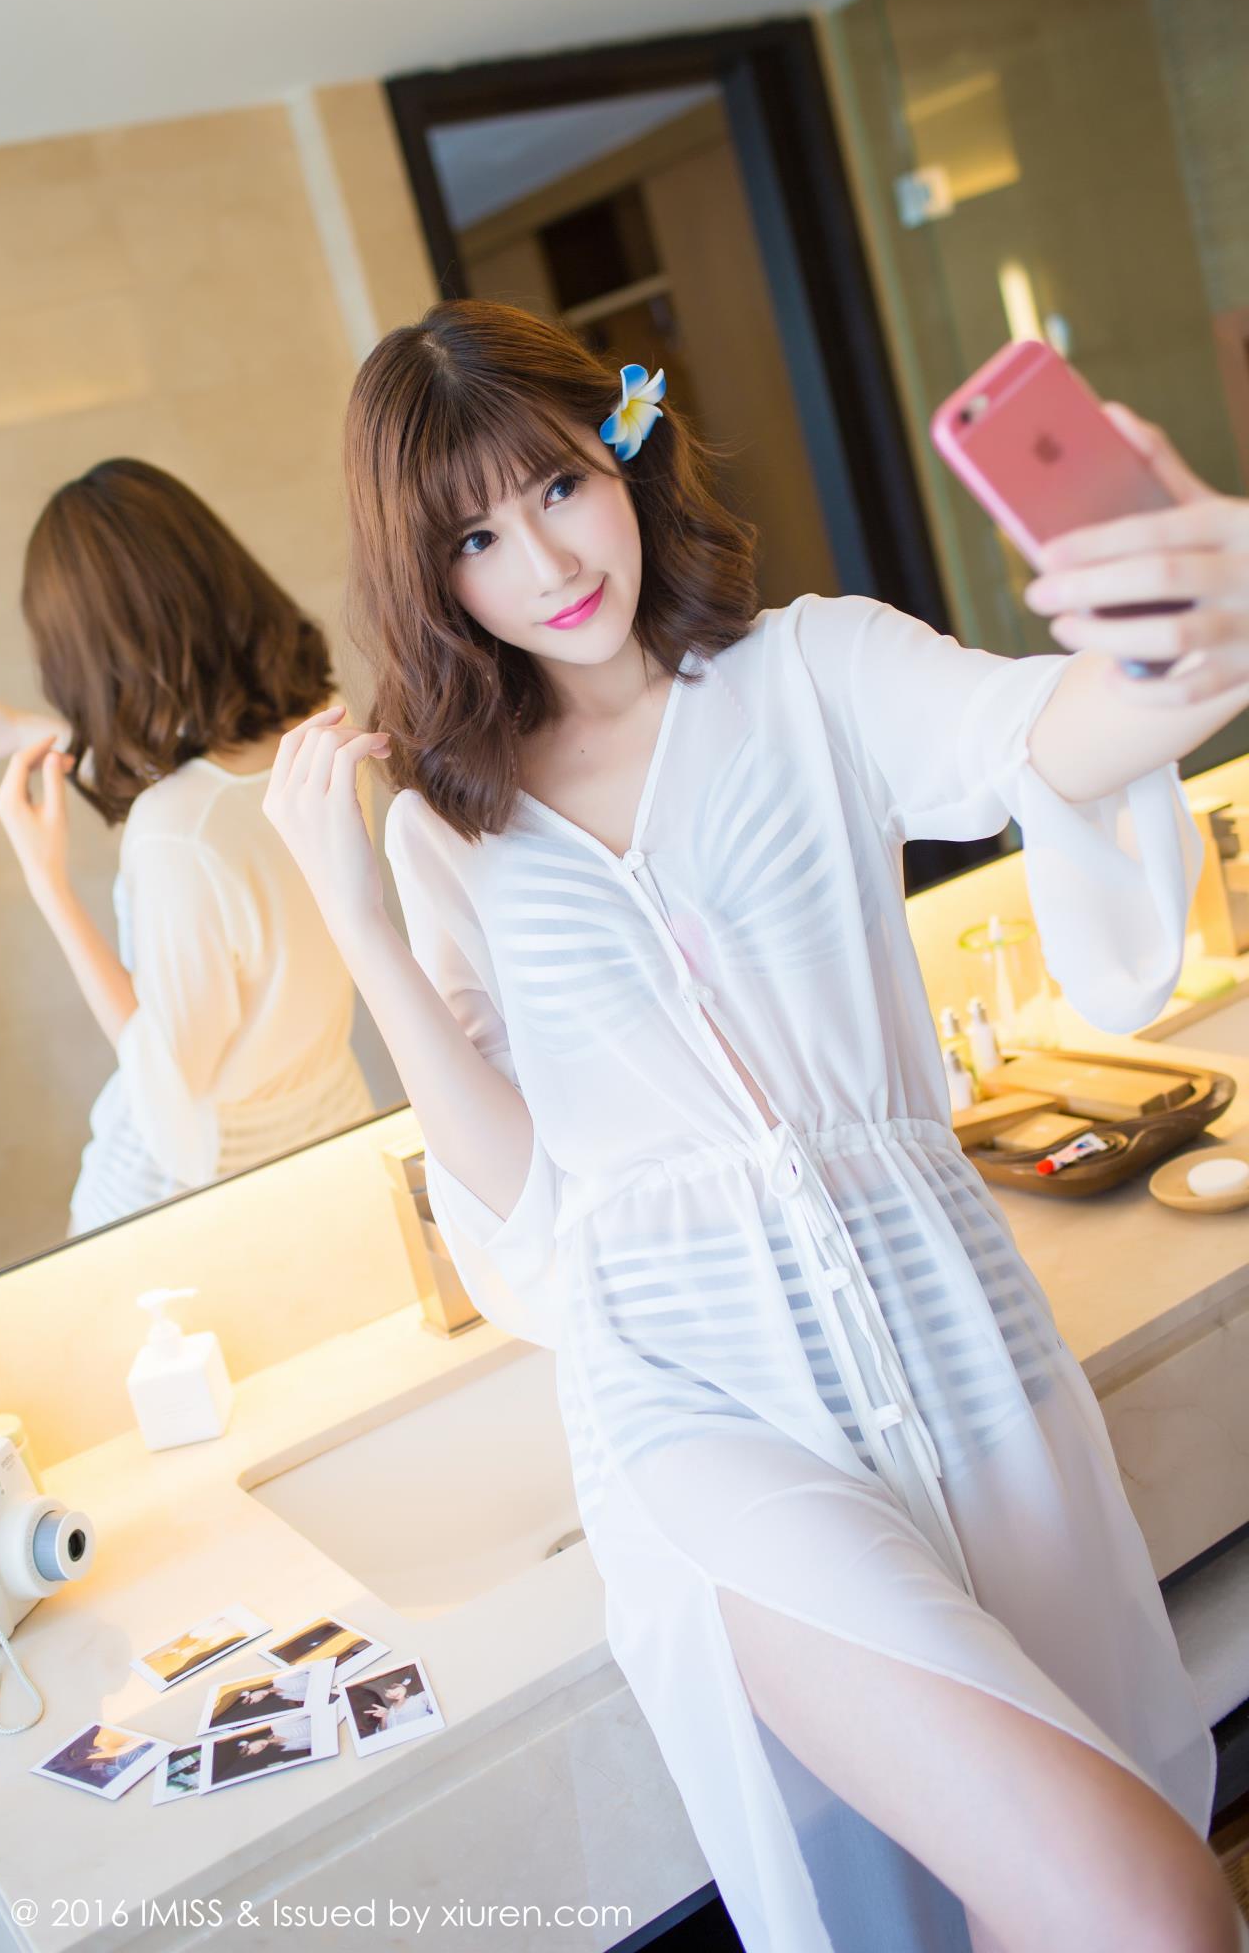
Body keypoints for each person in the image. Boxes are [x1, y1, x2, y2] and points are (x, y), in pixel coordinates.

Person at [262, 299, 1249, 1953]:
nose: (546, 562)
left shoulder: (814, 671)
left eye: (561, 486)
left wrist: (1203, 623)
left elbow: (1054, 736)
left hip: (961, 1338)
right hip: (699, 1409)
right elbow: (524, 1206)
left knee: (1056, 1889)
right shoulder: (449, 832)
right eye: (477, 538)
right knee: (1147, 1906)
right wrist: (362, 924)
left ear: (625, 452)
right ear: (430, 577)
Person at [0, 458, 375, 1235]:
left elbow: (166, 1086)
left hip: (187, 1190)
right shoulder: (323, 728)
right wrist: (24, 734)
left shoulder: (173, 832)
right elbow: (210, 789)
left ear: (87, 653)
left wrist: (49, 886)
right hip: (330, 1132)